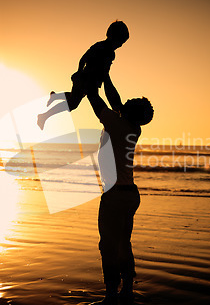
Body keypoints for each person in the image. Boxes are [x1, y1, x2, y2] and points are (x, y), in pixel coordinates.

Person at [87, 77, 154, 305]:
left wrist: (89, 84)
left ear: (129, 110)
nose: (123, 102)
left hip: (115, 195)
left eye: (128, 102)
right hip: (130, 194)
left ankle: (111, 294)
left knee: (108, 244)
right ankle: (126, 290)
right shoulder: (132, 127)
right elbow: (116, 101)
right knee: (123, 242)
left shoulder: (116, 124)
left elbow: (97, 102)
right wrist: (105, 76)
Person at [37, 20, 130, 130]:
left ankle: (55, 97)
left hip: (93, 81)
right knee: (73, 104)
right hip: (85, 79)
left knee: (75, 97)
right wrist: (79, 72)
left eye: (122, 43)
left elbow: (105, 72)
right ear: (112, 36)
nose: (120, 45)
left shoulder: (111, 53)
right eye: (120, 42)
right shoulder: (100, 47)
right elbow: (84, 58)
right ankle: (44, 116)